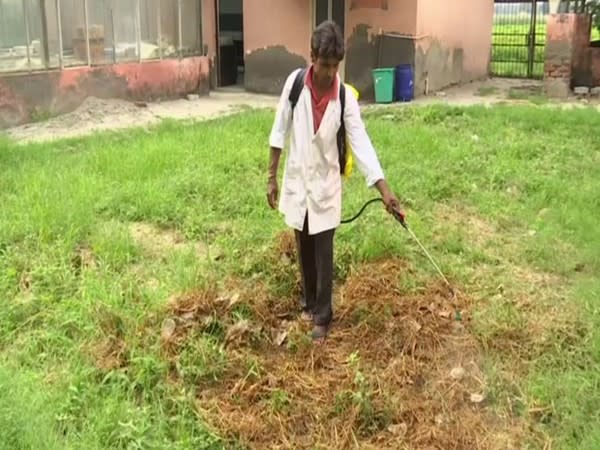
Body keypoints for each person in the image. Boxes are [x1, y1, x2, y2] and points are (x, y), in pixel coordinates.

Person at [266, 20, 404, 343]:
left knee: (323, 248)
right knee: (303, 242)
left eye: (334, 66)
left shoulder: (344, 97)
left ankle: (323, 316)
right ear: (312, 57)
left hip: (326, 184)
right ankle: (309, 302)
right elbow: (278, 130)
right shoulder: (295, 85)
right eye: (324, 65)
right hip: (299, 181)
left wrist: (385, 191)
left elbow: (361, 143)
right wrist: (271, 176)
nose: (329, 73)